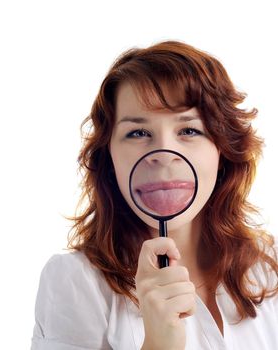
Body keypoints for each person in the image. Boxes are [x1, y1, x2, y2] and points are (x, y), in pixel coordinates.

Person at [30, 40, 278, 349]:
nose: (164, 154)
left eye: (189, 130)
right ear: (109, 159)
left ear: (223, 150)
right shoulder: (76, 283)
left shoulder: (270, 266)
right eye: (138, 133)